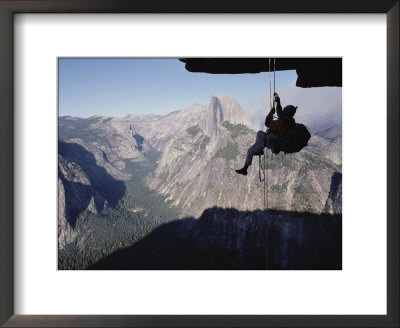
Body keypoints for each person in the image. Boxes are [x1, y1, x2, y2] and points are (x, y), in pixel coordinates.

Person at [235, 93, 297, 176]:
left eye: (285, 110)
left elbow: (267, 123)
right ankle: (260, 150)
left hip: (271, 141)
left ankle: (245, 169)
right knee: (259, 133)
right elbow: (280, 112)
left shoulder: (281, 122)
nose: (283, 110)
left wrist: (270, 113)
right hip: (276, 140)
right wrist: (277, 99)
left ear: (286, 112)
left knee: (250, 151)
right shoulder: (290, 121)